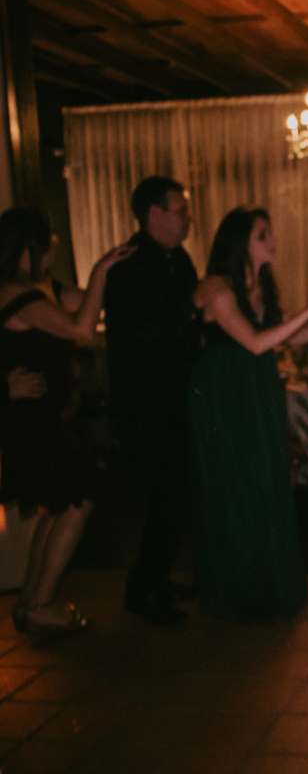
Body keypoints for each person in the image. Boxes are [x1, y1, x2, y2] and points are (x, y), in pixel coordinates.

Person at [0, 207, 131, 637]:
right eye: (48, 235)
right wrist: (99, 270)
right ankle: (39, 603)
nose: (54, 242)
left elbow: (90, 304)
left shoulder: (43, 288)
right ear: (27, 246)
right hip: (28, 420)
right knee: (79, 496)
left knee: (58, 503)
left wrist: (115, 279)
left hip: (42, 418)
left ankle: (31, 601)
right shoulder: (15, 294)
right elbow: (81, 330)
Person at [187, 207, 308, 620]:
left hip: (256, 388)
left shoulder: (262, 285)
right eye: (263, 235)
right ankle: (241, 589)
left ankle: (266, 584)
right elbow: (256, 342)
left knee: (266, 479)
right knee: (237, 484)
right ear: (240, 242)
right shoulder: (218, 288)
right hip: (224, 391)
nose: (272, 241)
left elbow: (287, 336)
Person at [104, 176, 199, 624]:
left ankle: (154, 580)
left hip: (176, 398)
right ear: (154, 214)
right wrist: (191, 308)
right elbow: (136, 337)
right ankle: (143, 589)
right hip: (147, 404)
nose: (188, 218)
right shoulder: (130, 265)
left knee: (175, 496)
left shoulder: (178, 258)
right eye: (181, 210)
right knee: (168, 494)